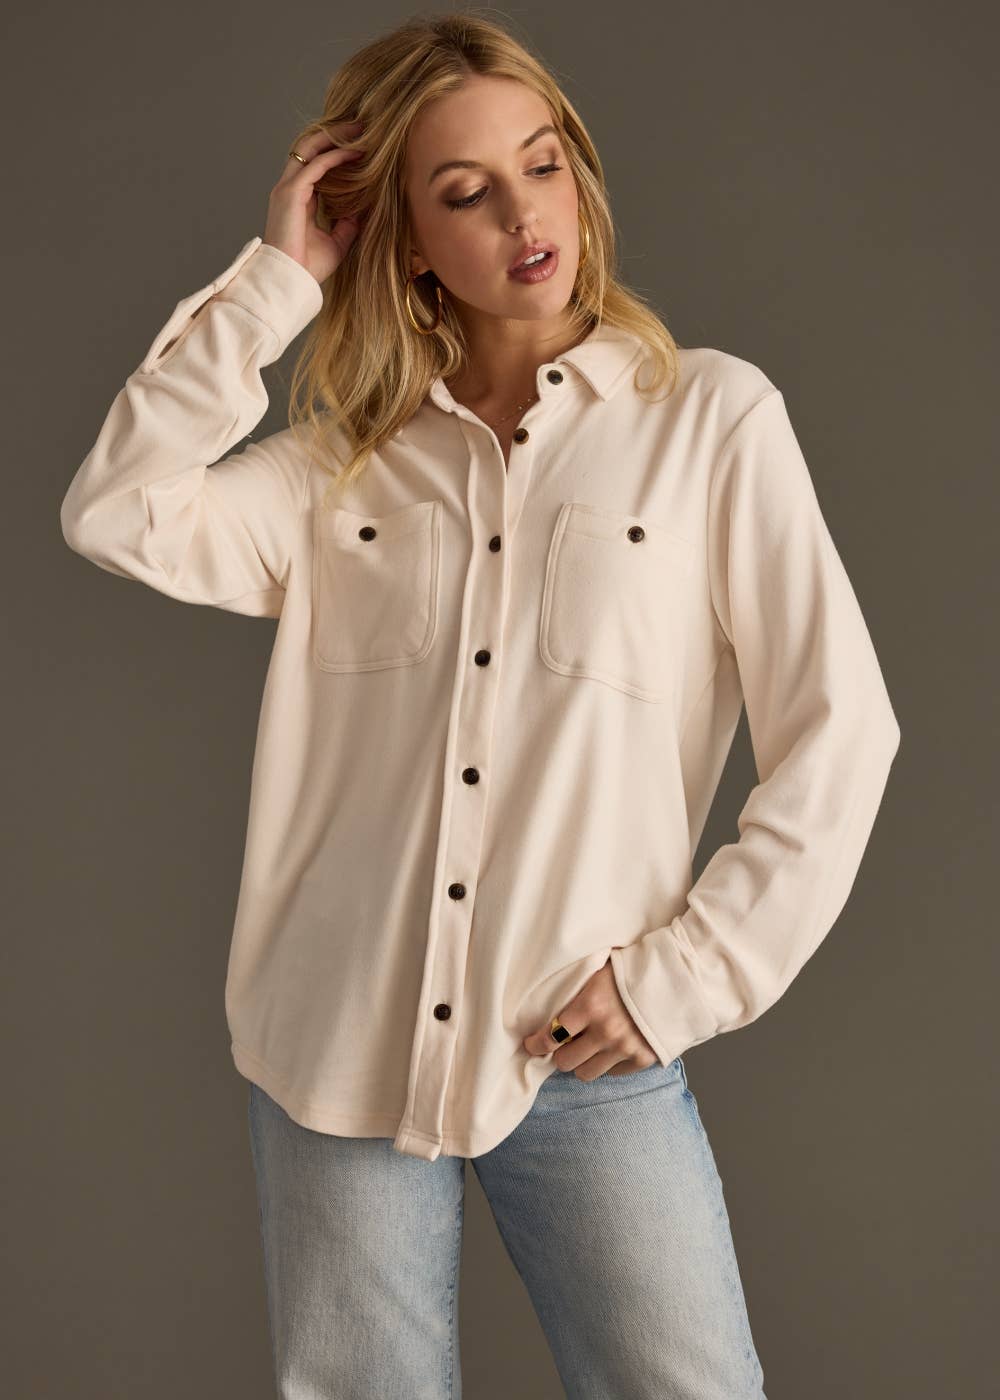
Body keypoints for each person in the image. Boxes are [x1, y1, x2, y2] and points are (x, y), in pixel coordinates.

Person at [59, 12, 901, 1399]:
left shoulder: (711, 422)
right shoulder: (342, 469)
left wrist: (685, 979)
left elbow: (843, 731)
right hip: (336, 1047)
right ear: (402, 238)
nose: (525, 215)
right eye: (465, 192)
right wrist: (278, 281)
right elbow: (116, 512)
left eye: (543, 165)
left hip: (581, 1048)